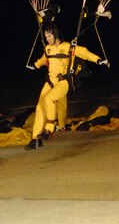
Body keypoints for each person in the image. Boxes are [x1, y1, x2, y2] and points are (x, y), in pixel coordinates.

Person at [24, 22, 109, 150]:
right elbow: (43, 60)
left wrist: (99, 60)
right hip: (50, 81)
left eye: (49, 36)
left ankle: (49, 128)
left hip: (64, 82)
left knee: (49, 99)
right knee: (40, 108)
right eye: (46, 37)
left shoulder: (69, 47)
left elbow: (84, 53)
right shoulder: (48, 48)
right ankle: (36, 139)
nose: (47, 39)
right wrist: (35, 65)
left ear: (55, 34)